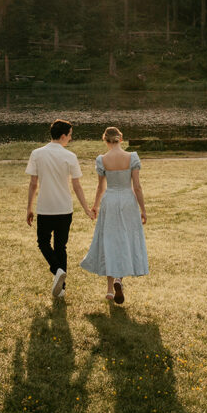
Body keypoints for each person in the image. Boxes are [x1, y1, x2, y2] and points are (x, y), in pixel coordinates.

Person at [26, 119, 95, 300]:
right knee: (60, 247)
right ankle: (61, 285)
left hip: (45, 208)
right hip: (64, 208)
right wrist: (86, 209)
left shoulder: (37, 153)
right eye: (70, 135)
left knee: (43, 243)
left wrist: (29, 208)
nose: (70, 139)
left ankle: (57, 272)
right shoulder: (69, 156)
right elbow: (77, 186)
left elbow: (33, 184)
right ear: (63, 136)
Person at [80, 126, 148, 304]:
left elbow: (100, 187)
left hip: (110, 200)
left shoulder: (102, 159)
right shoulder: (131, 157)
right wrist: (143, 209)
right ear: (120, 139)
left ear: (105, 140)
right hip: (127, 200)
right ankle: (119, 279)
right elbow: (137, 187)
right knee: (124, 239)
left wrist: (94, 206)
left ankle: (110, 289)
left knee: (109, 241)